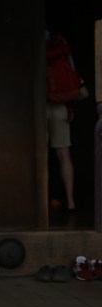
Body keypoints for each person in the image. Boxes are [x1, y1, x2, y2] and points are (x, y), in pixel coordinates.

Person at [45, 31, 89, 212]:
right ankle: (71, 203)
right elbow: (83, 92)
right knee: (64, 155)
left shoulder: (31, 43)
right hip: (60, 108)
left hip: (38, 108)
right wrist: (68, 102)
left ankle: (40, 203)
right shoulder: (61, 49)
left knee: (40, 157)